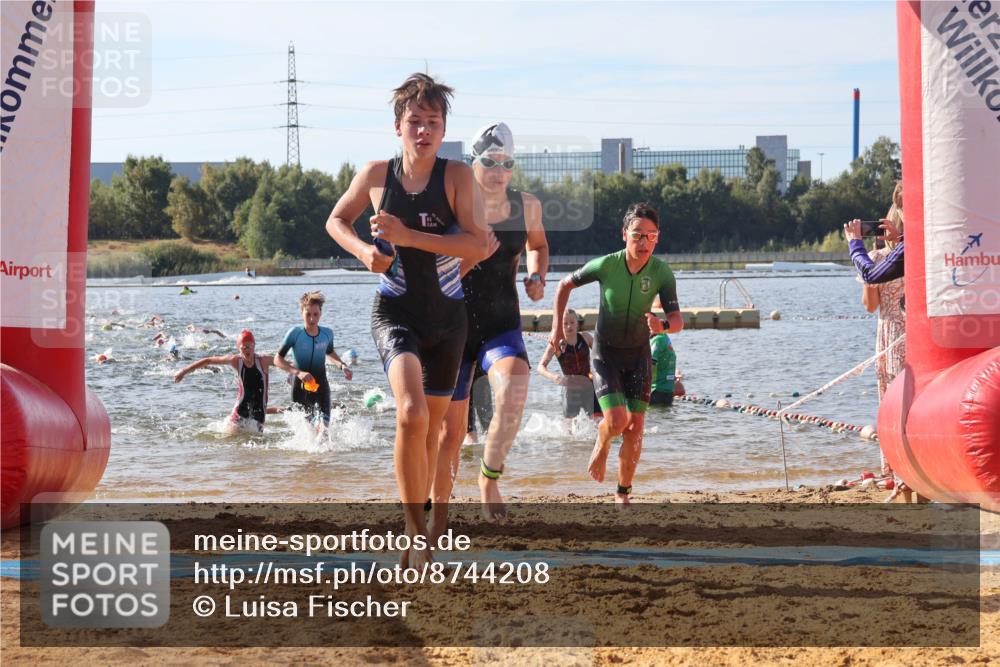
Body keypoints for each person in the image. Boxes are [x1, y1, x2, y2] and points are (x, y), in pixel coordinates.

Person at [325, 73, 489, 565]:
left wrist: (408, 236)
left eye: (432, 123)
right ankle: (414, 530)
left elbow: (477, 245)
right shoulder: (377, 175)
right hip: (394, 310)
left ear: (443, 130)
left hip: (448, 318)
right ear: (398, 126)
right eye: (414, 122)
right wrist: (361, 252)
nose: (423, 131)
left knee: (436, 431)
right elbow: (336, 220)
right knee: (410, 414)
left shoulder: (457, 177)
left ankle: (429, 519)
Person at [432, 121, 549, 524]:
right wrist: (471, 259)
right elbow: (434, 272)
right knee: (448, 434)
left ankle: (488, 477)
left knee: (515, 392)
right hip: (453, 328)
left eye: (507, 163)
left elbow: (538, 244)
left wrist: (536, 275)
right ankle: (438, 512)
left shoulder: (527, 205)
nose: (499, 172)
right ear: (473, 162)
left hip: (500, 324)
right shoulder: (453, 206)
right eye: (490, 161)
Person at [550, 202, 683, 505]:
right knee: (617, 420)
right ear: (624, 235)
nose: (643, 242)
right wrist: (557, 328)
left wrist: (660, 325)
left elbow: (677, 321)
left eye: (650, 236)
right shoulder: (606, 265)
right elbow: (563, 285)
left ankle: (622, 493)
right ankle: (602, 438)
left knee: (635, 429)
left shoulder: (662, 273)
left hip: (638, 357)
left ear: (657, 238)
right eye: (637, 235)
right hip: (605, 355)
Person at [273, 291, 353, 427]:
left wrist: (342, 365)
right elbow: (277, 359)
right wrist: (298, 373)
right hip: (300, 388)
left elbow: (330, 352)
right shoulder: (295, 333)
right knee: (308, 430)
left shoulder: (327, 333)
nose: (312, 319)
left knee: (324, 429)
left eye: (315, 314)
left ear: (320, 313)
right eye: (308, 314)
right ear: (301, 313)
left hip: (321, 385)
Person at [174, 329, 275, 434]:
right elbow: (208, 360)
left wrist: (293, 371)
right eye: (243, 347)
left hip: (259, 413)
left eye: (249, 346)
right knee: (229, 439)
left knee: (257, 445)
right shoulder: (235, 360)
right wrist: (183, 371)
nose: (246, 350)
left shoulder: (263, 360)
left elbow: (283, 363)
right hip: (240, 410)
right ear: (239, 348)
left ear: (254, 346)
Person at [538, 308, 601, 422]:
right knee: (570, 431)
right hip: (571, 390)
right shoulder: (556, 345)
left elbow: (601, 354)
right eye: (565, 323)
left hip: (589, 386)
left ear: (577, 322)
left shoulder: (585, 338)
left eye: (572, 322)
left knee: (598, 422)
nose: (569, 326)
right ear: (560, 326)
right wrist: (554, 377)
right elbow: (540, 367)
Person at [844, 217, 903, 284]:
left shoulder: (875, 256)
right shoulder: (911, 244)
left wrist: (855, 244)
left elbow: (869, 274)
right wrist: (901, 238)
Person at [649, 331, 677, 407]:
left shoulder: (657, 340)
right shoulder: (666, 339)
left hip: (655, 390)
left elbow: (651, 363)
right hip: (669, 391)